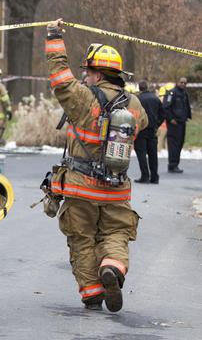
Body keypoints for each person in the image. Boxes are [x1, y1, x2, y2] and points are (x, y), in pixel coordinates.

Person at [45, 19, 147, 313]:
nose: (84, 76)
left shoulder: (81, 98)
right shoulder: (134, 105)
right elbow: (142, 128)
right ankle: (113, 269)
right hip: (116, 189)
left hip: (81, 186)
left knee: (81, 239)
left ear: (95, 72)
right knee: (115, 235)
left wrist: (54, 37)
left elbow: (60, 78)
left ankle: (91, 294)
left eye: (87, 71)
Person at [134, 81, 165, 184]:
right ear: (147, 87)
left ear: (139, 88)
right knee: (153, 154)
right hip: (152, 130)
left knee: (141, 154)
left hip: (141, 130)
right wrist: (157, 124)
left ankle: (145, 176)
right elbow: (163, 113)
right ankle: (155, 177)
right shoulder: (155, 98)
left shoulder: (137, 100)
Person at [163, 77, 192, 173]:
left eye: (185, 83)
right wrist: (170, 119)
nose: (183, 84)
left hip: (182, 123)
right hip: (174, 123)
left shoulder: (184, 93)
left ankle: (175, 164)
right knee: (173, 144)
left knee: (180, 143)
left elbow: (186, 107)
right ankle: (172, 164)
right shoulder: (172, 93)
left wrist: (187, 116)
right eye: (181, 82)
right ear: (177, 82)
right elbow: (165, 107)